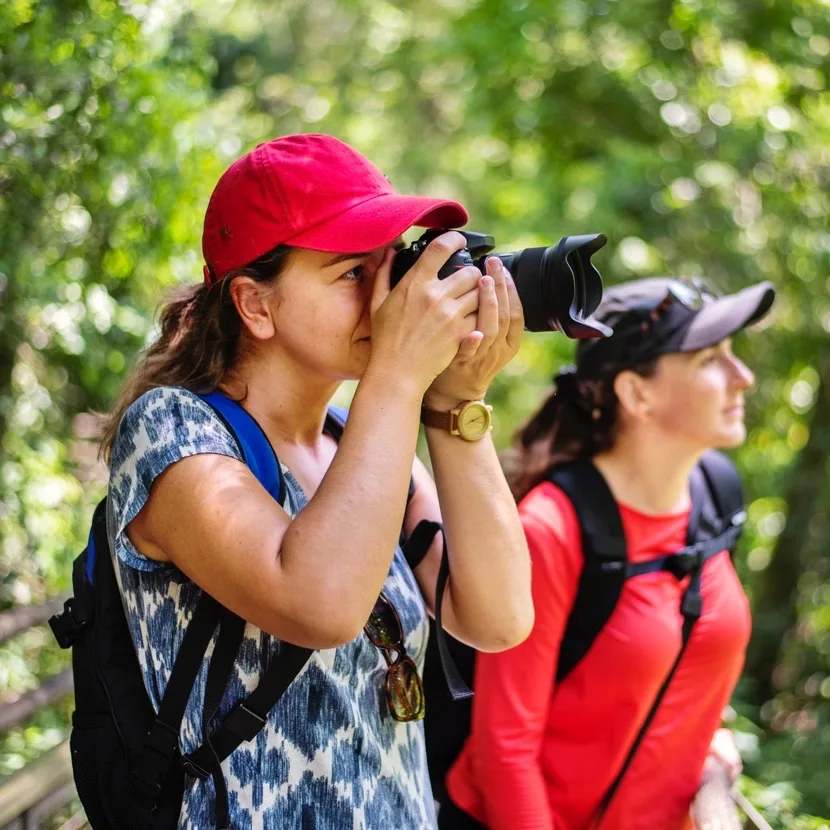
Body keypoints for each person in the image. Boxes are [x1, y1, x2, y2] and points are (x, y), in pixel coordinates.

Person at [98, 133, 533, 829]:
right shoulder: (173, 433)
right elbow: (321, 604)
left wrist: (454, 404)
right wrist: (397, 376)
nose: (390, 298)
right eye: (352, 274)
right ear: (255, 304)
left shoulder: (348, 439)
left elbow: (499, 617)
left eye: (393, 266)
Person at [439, 277, 775, 830]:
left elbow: (681, 656)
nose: (743, 378)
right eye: (710, 360)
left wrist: (706, 735)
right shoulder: (552, 529)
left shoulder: (716, 494)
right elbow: (506, 750)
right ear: (636, 394)